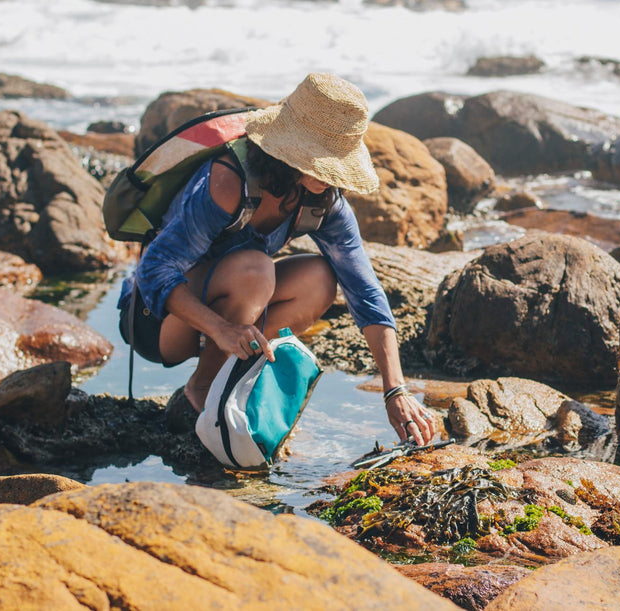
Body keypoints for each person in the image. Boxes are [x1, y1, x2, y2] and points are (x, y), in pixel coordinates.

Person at [118, 72, 435, 445]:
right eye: (318, 160)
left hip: (222, 322)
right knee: (256, 270)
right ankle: (200, 393)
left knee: (319, 279)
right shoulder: (229, 182)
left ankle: (230, 381)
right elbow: (154, 270)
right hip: (156, 323)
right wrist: (221, 330)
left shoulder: (323, 202)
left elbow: (364, 291)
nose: (327, 175)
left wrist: (394, 389)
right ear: (288, 147)